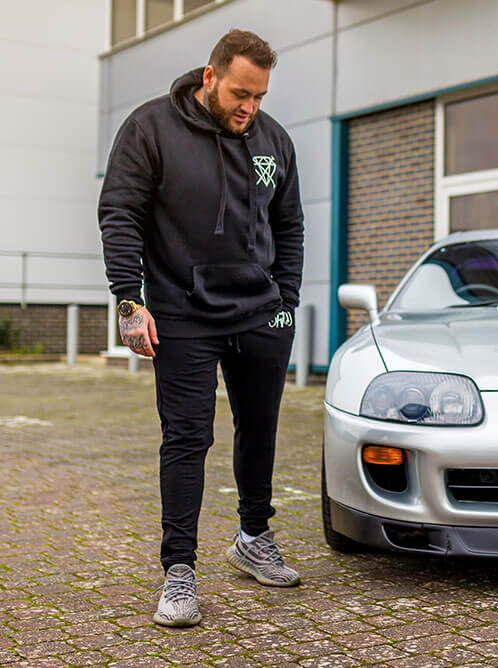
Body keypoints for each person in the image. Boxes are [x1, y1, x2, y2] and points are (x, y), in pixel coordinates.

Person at [98, 29, 304, 628]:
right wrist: (127, 302)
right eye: (241, 93)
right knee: (188, 436)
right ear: (210, 77)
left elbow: (288, 225)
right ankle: (180, 571)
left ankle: (253, 537)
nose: (250, 108)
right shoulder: (150, 127)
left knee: (260, 427)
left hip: (261, 311)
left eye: (260, 97)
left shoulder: (274, 141)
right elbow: (121, 213)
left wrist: (285, 302)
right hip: (181, 311)